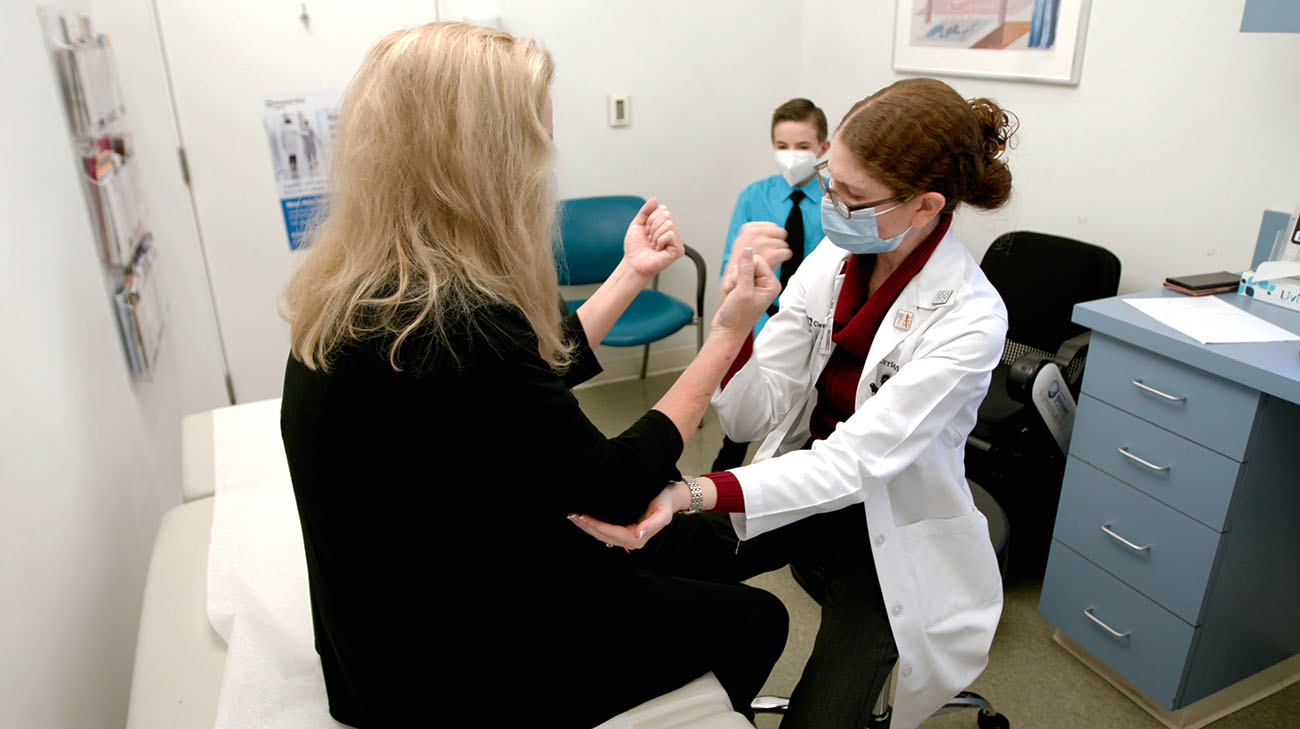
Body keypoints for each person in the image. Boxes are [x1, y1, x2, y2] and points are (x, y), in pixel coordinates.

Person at [279, 22, 787, 729]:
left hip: (389, 623)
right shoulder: (460, 319)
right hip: (439, 676)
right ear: (480, 160)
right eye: (536, 145)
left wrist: (630, 274)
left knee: (694, 544)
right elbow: (610, 484)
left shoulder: (366, 289)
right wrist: (729, 334)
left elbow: (514, 389)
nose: (545, 165)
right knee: (755, 617)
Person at [572, 77, 1018, 729]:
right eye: (829, 182)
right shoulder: (838, 256)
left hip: (884, 532)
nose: (830, 205)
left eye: (851, 196)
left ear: (925, 207)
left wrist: (688, 491)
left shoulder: (971, 318)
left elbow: (855, 466)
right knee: (626, 541)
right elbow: (752, 416)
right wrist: (738, 324)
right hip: (802, 489)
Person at [711, 97, 830, 471]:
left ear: (823, 149)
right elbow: (728, 272)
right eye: (782, 147)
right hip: (762, 318)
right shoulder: (754, 197)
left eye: (802, 147)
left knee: (807, 412)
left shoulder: (834, 200)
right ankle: (728, 458)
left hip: (818, 321)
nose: (791, 155)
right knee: (746, 407)